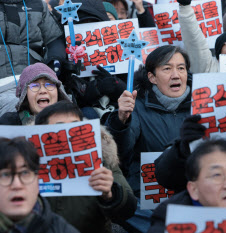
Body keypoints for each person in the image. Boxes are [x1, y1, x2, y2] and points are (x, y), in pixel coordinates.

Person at [105, 45, 192, 232]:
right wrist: (121, 121)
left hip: (194, 194)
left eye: (181, 68)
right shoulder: (136, 108)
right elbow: (119, 152)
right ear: (152, 77)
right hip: (149, 199)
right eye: (167, 69)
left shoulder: (204, 104)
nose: (176, 75)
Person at [35, 100, 137, 233]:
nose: (68, 134)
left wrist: (111, 194)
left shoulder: (103, 161)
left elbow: (128, 209)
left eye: (75, 127)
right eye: (59, 128)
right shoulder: (25, 167)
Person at [0, 137, 79, 233]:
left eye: (25, 173)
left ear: (38, 180)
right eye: (5, 175)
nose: (17, 185)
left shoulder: (63, 230)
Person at [0, 63, 70, 125]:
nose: (42, 91)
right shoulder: (9, 123)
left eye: (49, 84)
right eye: (34, 86)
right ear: (25, 95)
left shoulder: (72, 120)